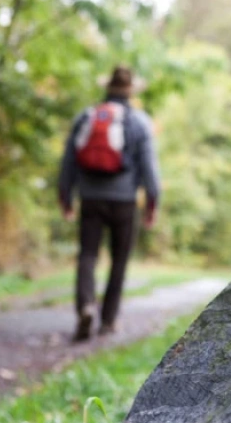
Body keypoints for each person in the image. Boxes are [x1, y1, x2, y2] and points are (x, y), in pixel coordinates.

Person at [58, 66, 161, 342]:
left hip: (90, 197)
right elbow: (149, 167)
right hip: (124, 202)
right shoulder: (139, 121)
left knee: (87, 255)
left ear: (107, 88)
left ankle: (86, 306)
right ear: (131, 91)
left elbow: (68, 160)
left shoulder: (86, 116)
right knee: (119, 260)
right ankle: (108, 321)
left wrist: (65, 196)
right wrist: (153, 202)